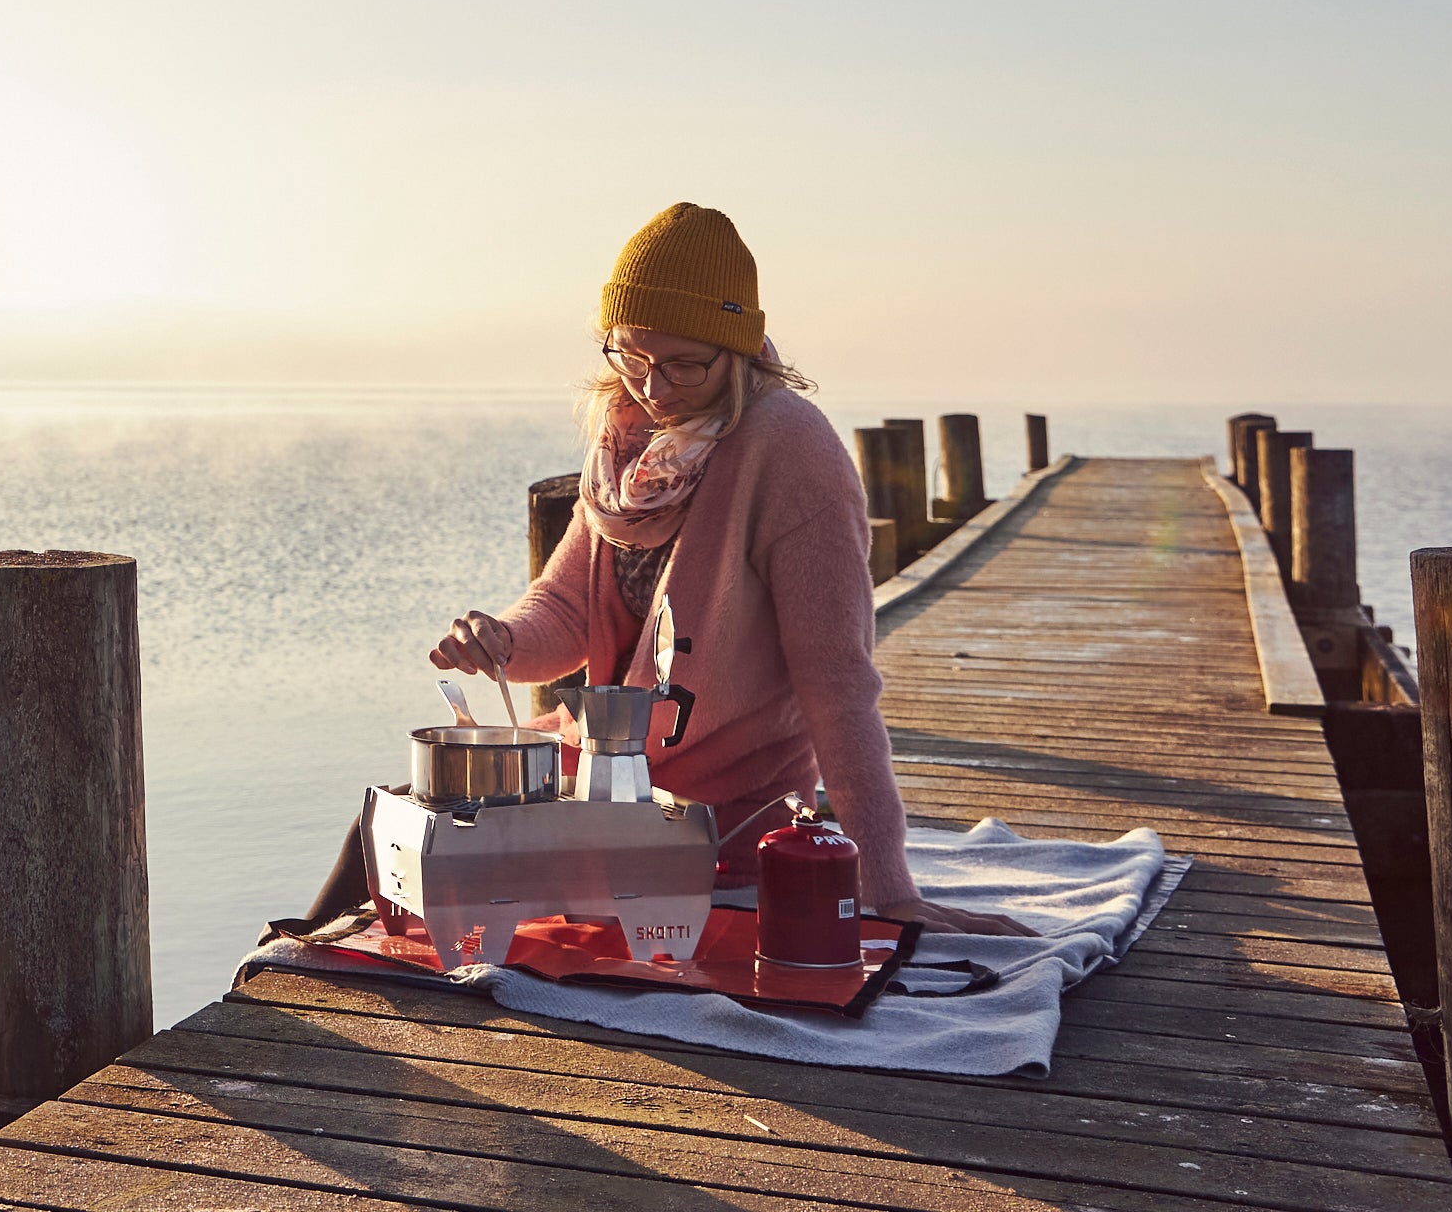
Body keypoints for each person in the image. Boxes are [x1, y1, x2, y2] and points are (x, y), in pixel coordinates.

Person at [432, 202, 1031, 937]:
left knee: (466, 877)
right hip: (605, 788)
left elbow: (837, 682)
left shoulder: (790, 451)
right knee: (422, 826)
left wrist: (886, 887)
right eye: (630, 356)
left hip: (723, 826)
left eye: (683, 364)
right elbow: (563, 609)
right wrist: (500, 639)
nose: (653, 387)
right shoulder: (625, 439)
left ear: (737, 352)